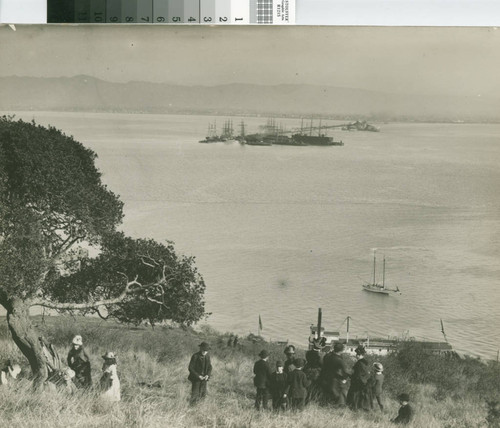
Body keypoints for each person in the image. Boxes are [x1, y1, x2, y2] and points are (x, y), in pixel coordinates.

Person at [320, 342, 350, 406]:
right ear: (341, 351)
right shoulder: (339, 360)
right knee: (343, 388)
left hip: (325, 377)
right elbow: (346, 371)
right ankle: (340, 404)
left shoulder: (327, 356)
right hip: (334, 378)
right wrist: (345, 378)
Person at [347, 345, 373, 411]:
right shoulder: (364, 362)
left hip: (358, 383)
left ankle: (354, 409)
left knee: (355, 396)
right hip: (363, 382)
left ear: (360, 355)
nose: (356, 355)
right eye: (357, 354)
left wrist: (352, 377)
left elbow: (359, 374)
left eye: (357, 354)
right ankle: (358, 408)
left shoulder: (360, 363)